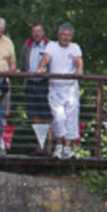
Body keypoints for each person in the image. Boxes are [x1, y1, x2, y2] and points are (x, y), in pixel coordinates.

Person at [37, 23, 84, 159]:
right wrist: (41, 68)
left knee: (71, 117)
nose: (66, 38)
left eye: (68, 35)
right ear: (59, 35)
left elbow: (78, 60)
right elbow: (46, 58)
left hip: (70, 88)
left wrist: (79, 69)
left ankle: (68, 148)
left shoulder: (75, 47)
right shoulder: (52, 46)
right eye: (63, 35)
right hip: (55, 87)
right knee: (58, 117)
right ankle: (58, 146)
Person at [23, 23, 55, 154]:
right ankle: (39, 146)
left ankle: (48, 146)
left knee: (47, 115)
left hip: (45, 84)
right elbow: (23, 63)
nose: (37, 34)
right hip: (31, 83)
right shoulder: (26, 46)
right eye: (34, 31)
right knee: (35, 116)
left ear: (43, 33)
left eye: (39, 31)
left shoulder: (50, 46)